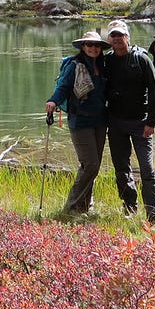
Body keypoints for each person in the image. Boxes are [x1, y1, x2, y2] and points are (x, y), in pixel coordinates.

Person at [102, 19, 155, 224]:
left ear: (127, 37)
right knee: (121, 168)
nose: (117, 39)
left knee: (147, 168)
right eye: (113, 36)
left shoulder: (141, 59)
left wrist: (151, 122)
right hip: (116, 122)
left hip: (140, 123)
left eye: (121, 35)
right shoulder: (107, 61)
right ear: (109, 39)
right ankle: (129, 207)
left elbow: (154, 92)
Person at [45, 30, 108, 218]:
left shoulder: (103, 66)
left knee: (92, 166)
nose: (93, 48)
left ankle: (85, 206)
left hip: (100, 121)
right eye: (89, 45)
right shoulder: (75, 65)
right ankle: (71, 207)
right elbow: (63, 87)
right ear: (83, 46)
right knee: (90, 164)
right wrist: (53, 101)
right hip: (80, 121)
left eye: (96, 45)